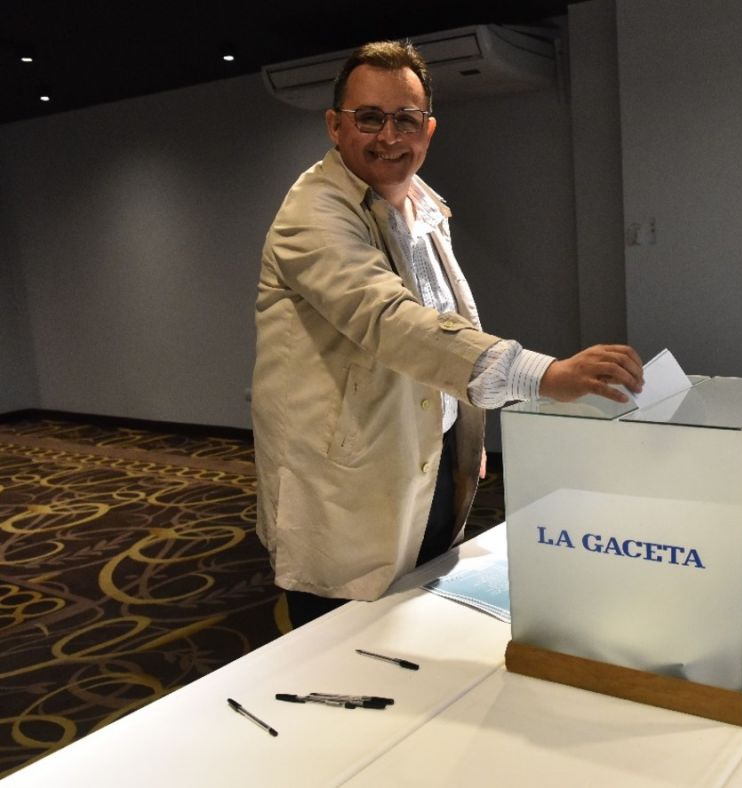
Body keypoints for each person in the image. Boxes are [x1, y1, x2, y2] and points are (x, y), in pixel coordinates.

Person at [252, 40, 643, 629]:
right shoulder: (312, 213)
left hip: (427, 457)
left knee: (415, 630)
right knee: (340, 643)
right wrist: (542, 375)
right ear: (335, 125)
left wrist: (458, 424)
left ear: (428, 129)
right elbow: (391, 322)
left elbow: (446, 321)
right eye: (369, 118)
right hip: (345, 483)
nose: (389, 136)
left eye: (406, 119)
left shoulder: (423, 205)